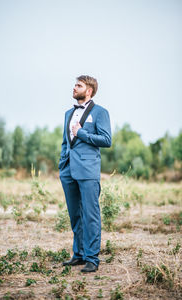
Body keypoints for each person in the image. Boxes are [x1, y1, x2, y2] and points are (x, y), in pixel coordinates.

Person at [59, 75, 111, 272]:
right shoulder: (67, 113)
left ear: (88, 91)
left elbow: (106, 140)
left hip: (88, 171)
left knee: (90, 215)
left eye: (78, 85)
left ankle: (91, 258)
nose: (74, 88)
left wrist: (82, 133)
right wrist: (62, 163)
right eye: (74, 84)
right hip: (68, 170)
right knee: (75, 215)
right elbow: (66, 141)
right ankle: (79, 254)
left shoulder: (100, 112)